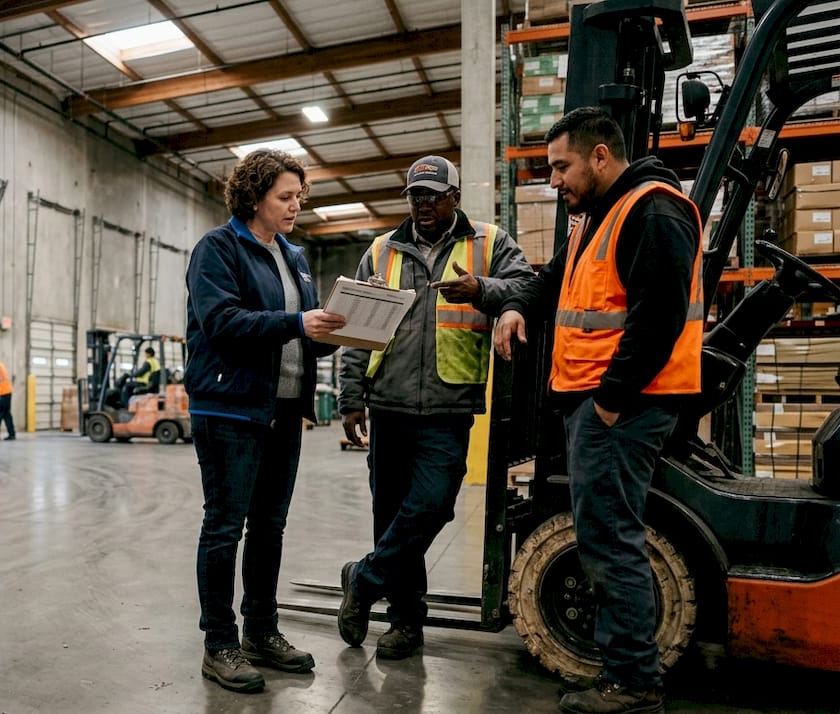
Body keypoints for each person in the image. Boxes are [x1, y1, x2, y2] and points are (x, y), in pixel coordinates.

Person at [493, 107, 702, 714]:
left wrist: (610, 402)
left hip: (623, 407)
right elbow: (553, 278)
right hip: (594, 402)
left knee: (611, 538)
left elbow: (657, 319)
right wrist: (515, 308)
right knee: (602, 533)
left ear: (601, 156)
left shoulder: (652, 210)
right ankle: (623, 668)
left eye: (561, 166)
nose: (554, 180)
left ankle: (634, 682)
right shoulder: (594, 217)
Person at [335, 155, 535, 660]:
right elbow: (356, 328)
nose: (423, 205)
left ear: (455, 197)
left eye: (433, 195)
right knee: (391, 514)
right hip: (389, 404)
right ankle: (405, 621)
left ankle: (362, 578)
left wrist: (483, 291)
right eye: (416, 196)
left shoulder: (487, 243)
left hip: (448, 405)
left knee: (432, 506)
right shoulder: (382, 250)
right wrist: (350, 396)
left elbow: (531, 286)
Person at [186, 148, 346, 693]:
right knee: (225, 527)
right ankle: (219, 644)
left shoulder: (294, 256)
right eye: (285, 196)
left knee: (270, 527)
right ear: (254, 197)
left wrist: (336, 333)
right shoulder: (218, 248)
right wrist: (299, 321)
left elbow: (299, 335)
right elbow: (222, 321)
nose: (296, 205)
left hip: (282, 409)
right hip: (229, 408)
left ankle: (261, 630)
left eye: (299, 196)